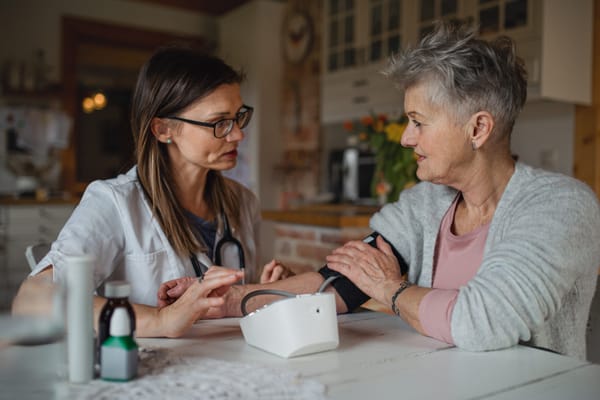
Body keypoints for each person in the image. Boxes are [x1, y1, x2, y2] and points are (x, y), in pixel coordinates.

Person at [161, 21, 600, 360]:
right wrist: (231, 300)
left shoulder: (559, 206)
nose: (406, 138)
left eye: (418, 122)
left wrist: (391, 290)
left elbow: (484, 322)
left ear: (478, 128)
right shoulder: (426, 203)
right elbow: (347, 283)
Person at [12, 45, 291, 338]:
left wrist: (264, 287)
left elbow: (235, 300)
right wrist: (161, 319)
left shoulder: (243, 202)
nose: (237, 134)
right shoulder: (115, 202)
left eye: (238, 117)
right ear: (163, 130)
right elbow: (31, 301)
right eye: (219, 122)